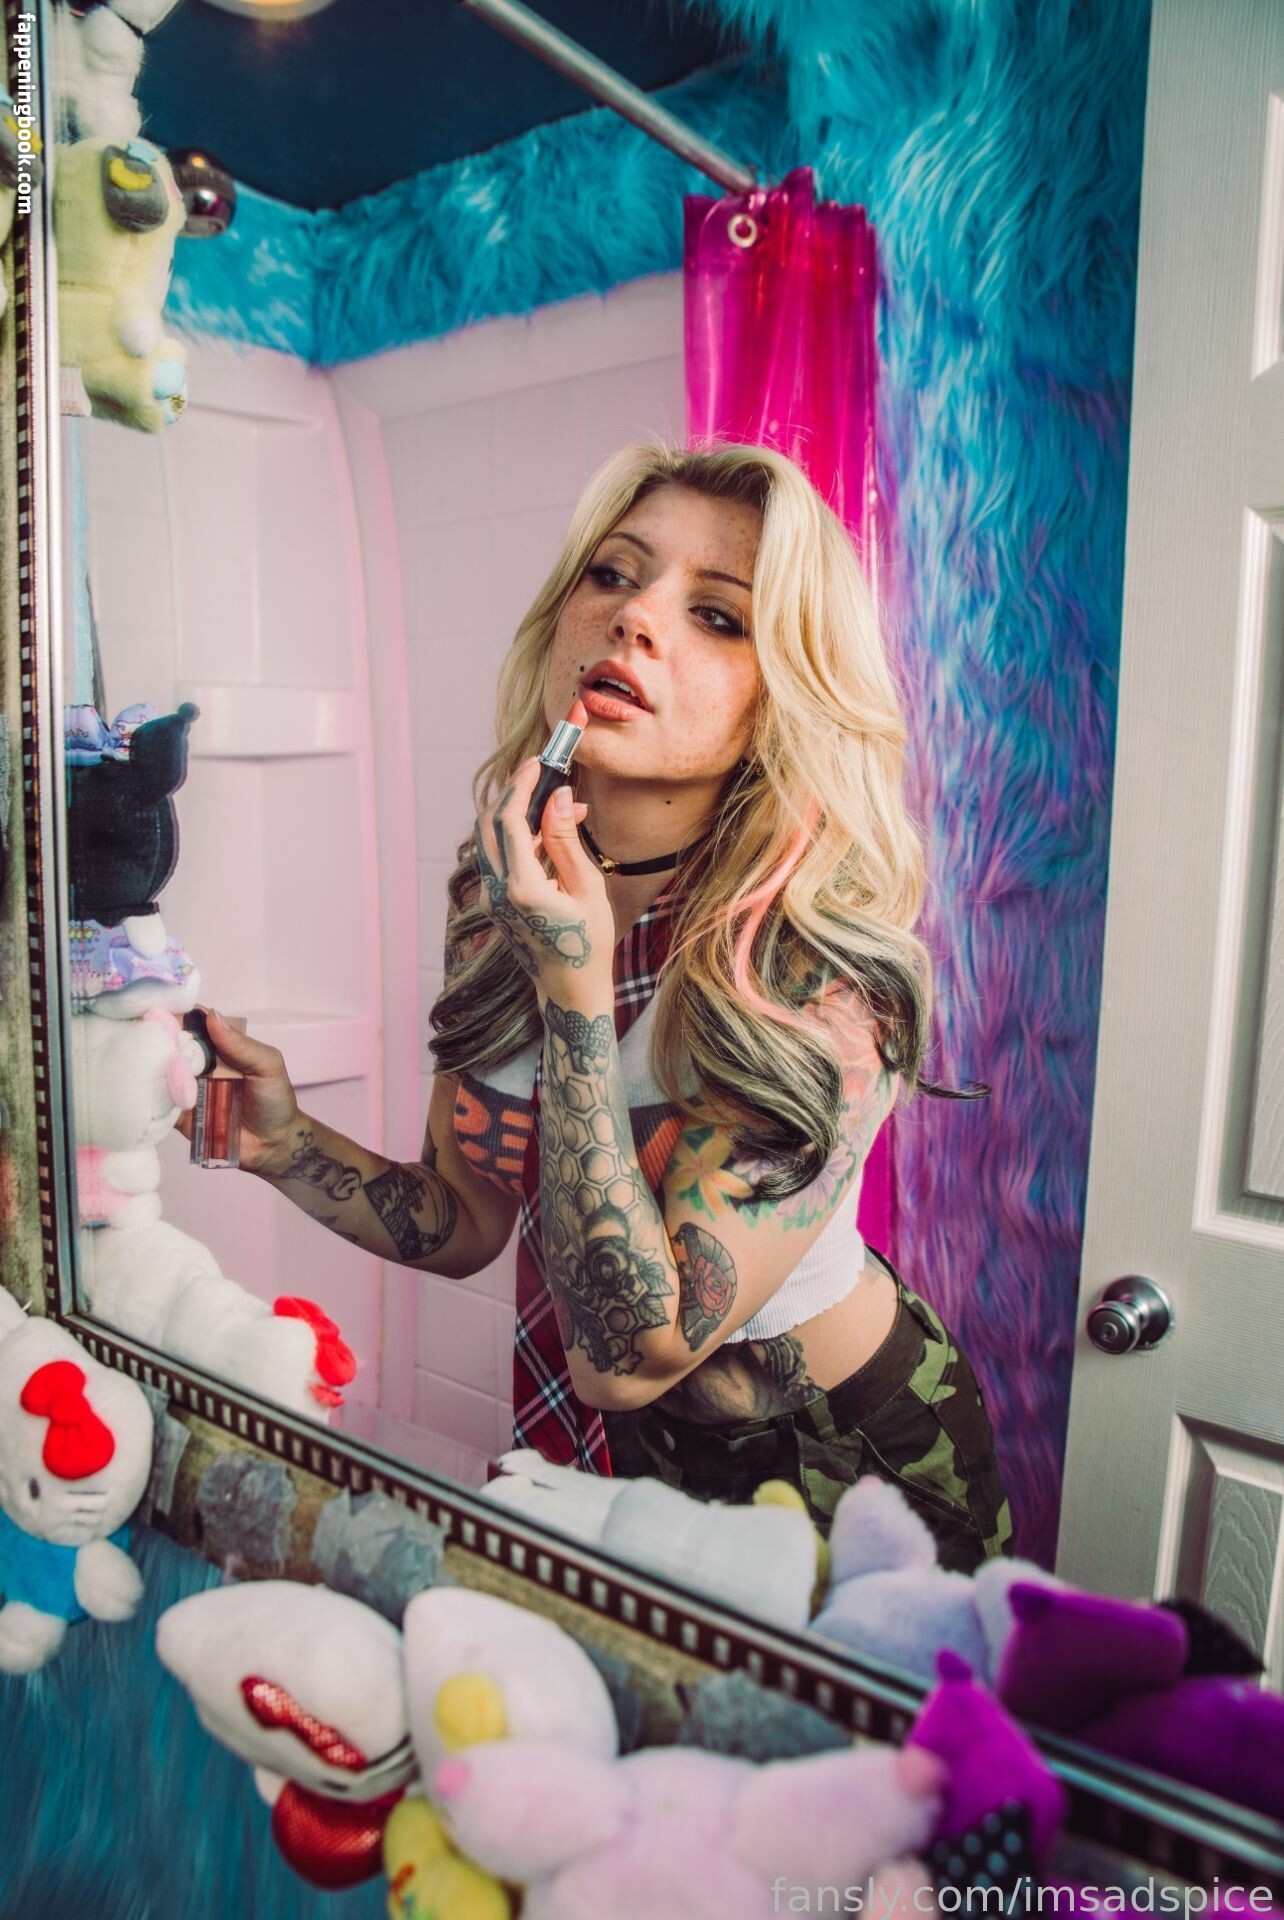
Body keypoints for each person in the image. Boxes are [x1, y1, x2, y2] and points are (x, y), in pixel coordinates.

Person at [192, 438, 1014, 1574]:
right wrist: (284, 1144)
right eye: (614, 574)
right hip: (615, 1462)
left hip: (844, 1469)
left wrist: (576, 994)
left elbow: (630, 1355)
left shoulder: (822, 971)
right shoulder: (499, 887)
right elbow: (469, 1218)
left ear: (787, 697)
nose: (636, 618)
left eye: (717, 615)